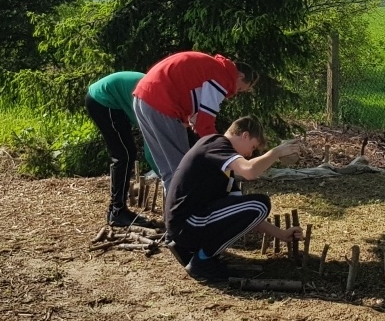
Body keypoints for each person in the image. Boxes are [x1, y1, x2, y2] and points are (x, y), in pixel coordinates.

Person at [163, 116, 303, 282]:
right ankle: (202, 260)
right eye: (252, 147)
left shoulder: (224, 169)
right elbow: (250, 171)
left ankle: (193, 251)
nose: (250, 154)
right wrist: (277, 152)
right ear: (244, 135)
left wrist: (281, 234)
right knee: (261, 204)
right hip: (186, 223)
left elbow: (243, 216)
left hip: (189, 225)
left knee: (256, 207)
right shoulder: (216, 143)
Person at [132, 51, 257, 184]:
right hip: (162, 103)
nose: (235, 93)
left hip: (143, 97)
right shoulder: (223, 76)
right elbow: (205, 124)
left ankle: (172, 203)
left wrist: (188, 120)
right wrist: (221, 149)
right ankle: (184, 204)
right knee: (182, 170)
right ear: (239, 76)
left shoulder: (211, 67)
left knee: (168, 169)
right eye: (240, 89)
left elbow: (187, 91)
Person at [86, 69, 158, 228]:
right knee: (123, 154)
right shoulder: (155, 109)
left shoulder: (160, 106)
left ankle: (116, 210)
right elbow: (150, 151)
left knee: (126, 152)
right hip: (103, 100)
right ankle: (117, 212)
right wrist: (168, 177)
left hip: (112, 99)